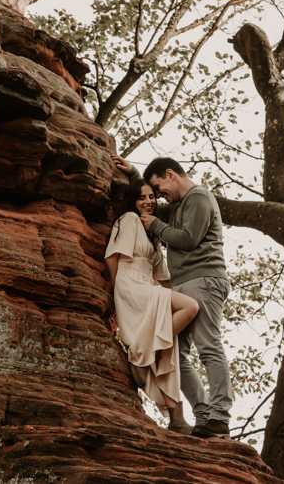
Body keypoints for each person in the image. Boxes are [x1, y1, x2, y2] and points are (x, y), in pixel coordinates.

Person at [112, 154, 233, 440]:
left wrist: (154, 226)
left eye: (160, 188)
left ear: (171, 174)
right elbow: (147, 202)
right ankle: (203, 417)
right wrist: (134, 173)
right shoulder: (177, 205)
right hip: (183, 283)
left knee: (209, 347)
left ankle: (220, 417)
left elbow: (188, 239)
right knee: (177, 354)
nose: (159, 196)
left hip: (203, 280)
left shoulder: (199, 198)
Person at [105, 178, 200, 433]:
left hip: (149, 286)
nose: (148, 202)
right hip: (130, 285)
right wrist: (116, 294)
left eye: (151, 197)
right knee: (190, 307)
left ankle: (176, 419)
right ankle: (141, 354)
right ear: (132, 201)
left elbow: (163, 279)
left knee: (168, 343)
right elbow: (113, 258)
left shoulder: (153, 233)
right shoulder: (128, 219)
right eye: (142, 197)